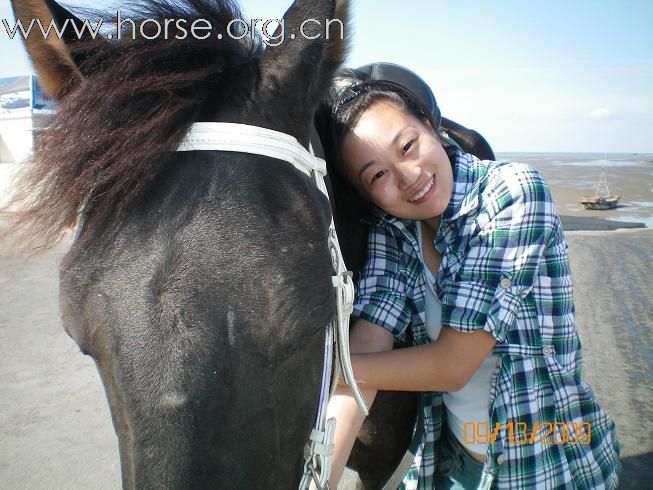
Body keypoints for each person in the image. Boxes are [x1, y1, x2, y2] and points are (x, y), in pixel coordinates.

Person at [318, 73, 621, 489]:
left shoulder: (512, 193)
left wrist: (325, 369)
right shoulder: (393, 229)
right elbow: (370, 341)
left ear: (430, 125)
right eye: (378, 176)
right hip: (453, 460)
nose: (408, 177)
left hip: (548, 460)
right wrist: (318, 479)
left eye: (408, 146)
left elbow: (452, 365)